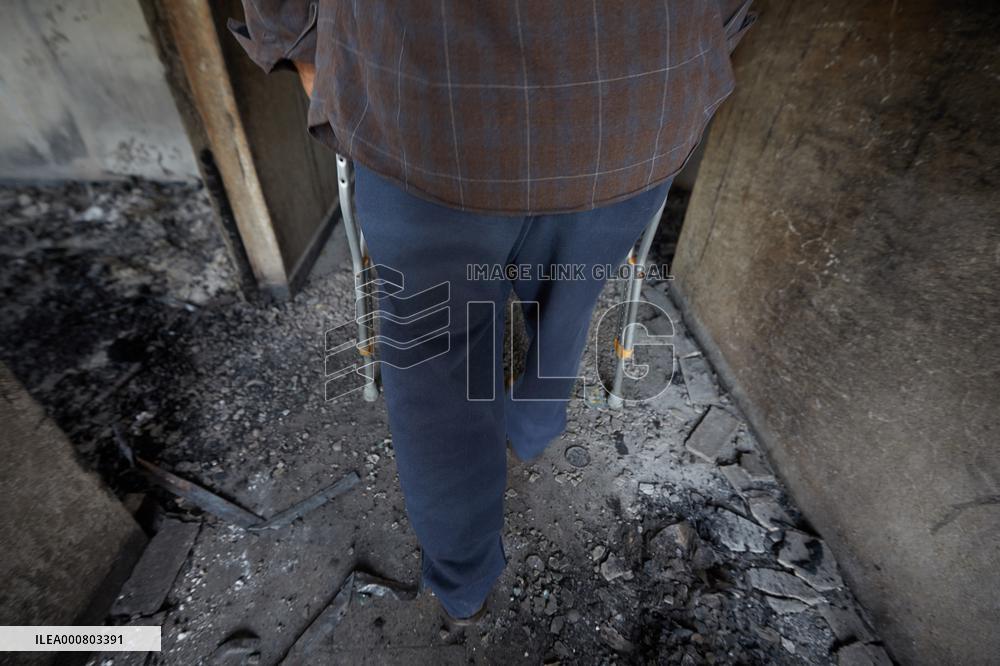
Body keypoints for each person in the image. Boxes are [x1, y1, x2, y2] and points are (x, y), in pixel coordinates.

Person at [230, 0, 754, 624]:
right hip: (635, 94)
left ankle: (464, 583)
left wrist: (299, 45)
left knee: (435, 363)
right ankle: (534, 425)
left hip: (421, 102)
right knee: (570, 292)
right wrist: (708, 39)